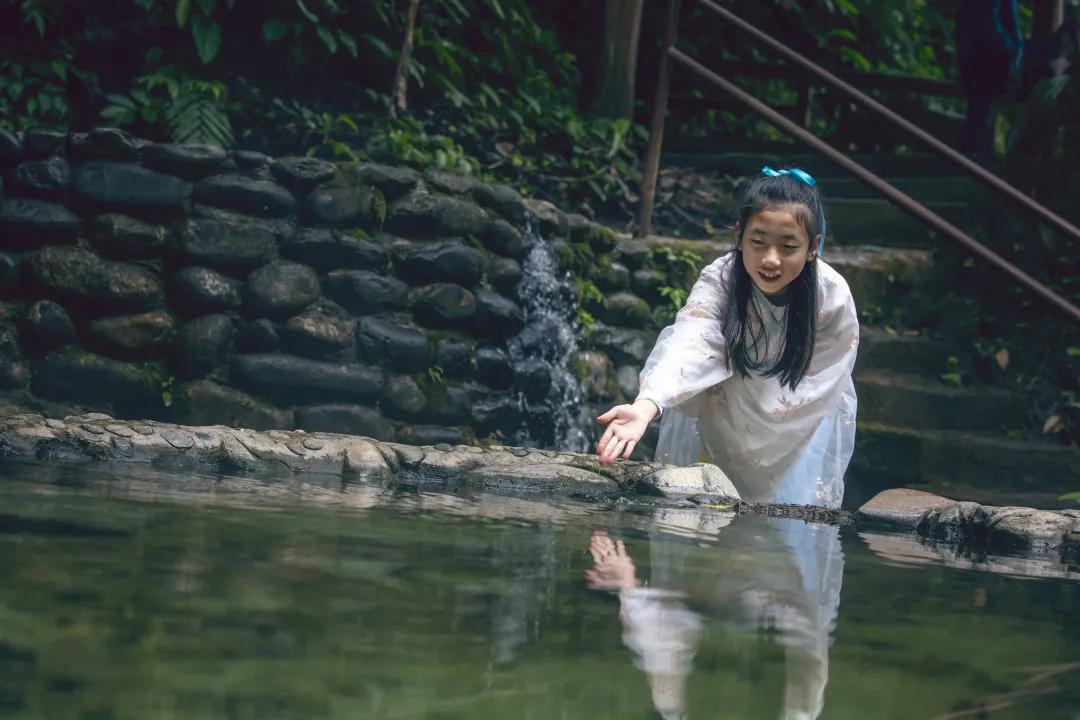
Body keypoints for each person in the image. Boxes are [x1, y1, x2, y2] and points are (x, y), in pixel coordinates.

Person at [595, 167, 858, 509]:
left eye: (788, 246)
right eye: (758, 242)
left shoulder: (832, 295)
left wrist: (766, 412)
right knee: (706, 520)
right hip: (725, 413)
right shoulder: (721, 278)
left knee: (785, 528)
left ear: (813, 247)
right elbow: (692, 339)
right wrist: (648, 405)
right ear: (739, 236)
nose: (770, 259)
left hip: (798, 425)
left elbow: (826, 372)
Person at [956, 0, 1024, 154]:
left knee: (982, 114)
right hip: (987, 60)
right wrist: (1012, 47)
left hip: (980, 58)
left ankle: (972, 160)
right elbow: (989, 25)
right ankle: (973, 162)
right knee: (983, 115)